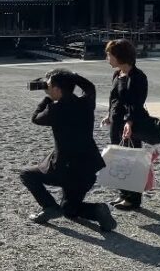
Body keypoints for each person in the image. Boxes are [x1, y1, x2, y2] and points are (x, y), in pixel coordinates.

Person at [21, 69, 117, 232]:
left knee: (27, 175)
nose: (47, 87)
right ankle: (98, 210)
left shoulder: (55, 109)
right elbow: (89, 86)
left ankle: (49, 207)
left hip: (64, 169)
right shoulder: (86, 102)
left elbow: (35, 118)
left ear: (57, 90)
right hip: (88, 169)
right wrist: (71, 75)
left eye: (49, 85)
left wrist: (46, 99)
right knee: (69, 209)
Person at [102, 39, 150, 211]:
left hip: (131, 123)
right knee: (118, 159)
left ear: (120, 56)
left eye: (109, 54)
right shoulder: (117, 74)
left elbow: (137, 103)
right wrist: (109, 114)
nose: (107, 57)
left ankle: (133, 198)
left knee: (132, 160)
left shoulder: (138, 77)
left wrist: (129, 122)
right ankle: (123, 194)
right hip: (117, 122)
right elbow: (114, 98)